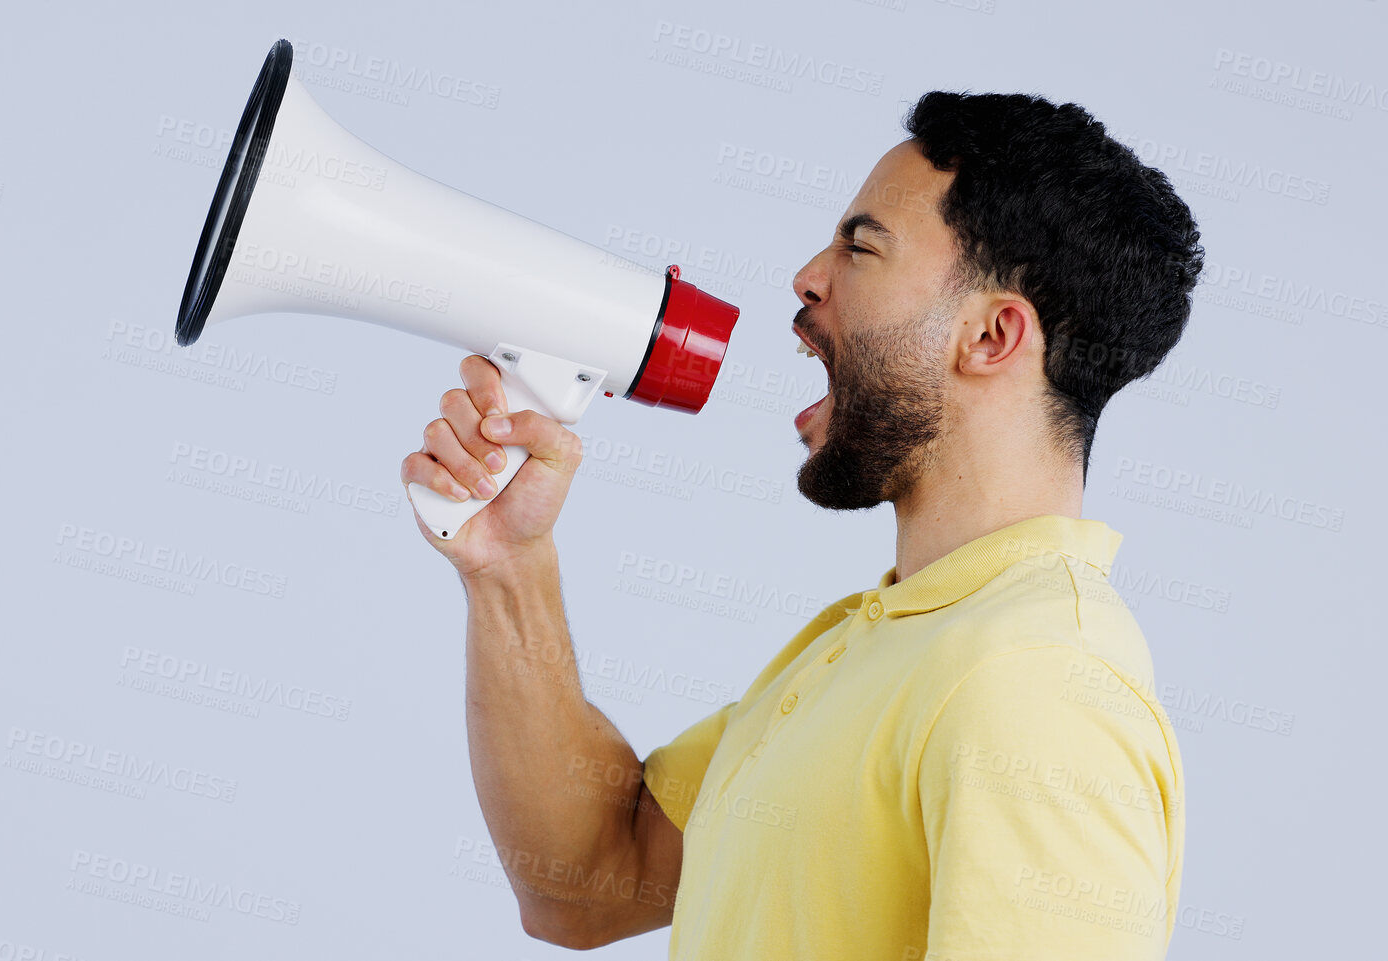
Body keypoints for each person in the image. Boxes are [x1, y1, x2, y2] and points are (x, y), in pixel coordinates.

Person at [400, 91, 1203, 959]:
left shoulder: (1037, 685)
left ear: (992, 335)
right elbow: (586, 879)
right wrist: (510, 566)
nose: (807, 276)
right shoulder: (883, 644)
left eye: (861, 247)